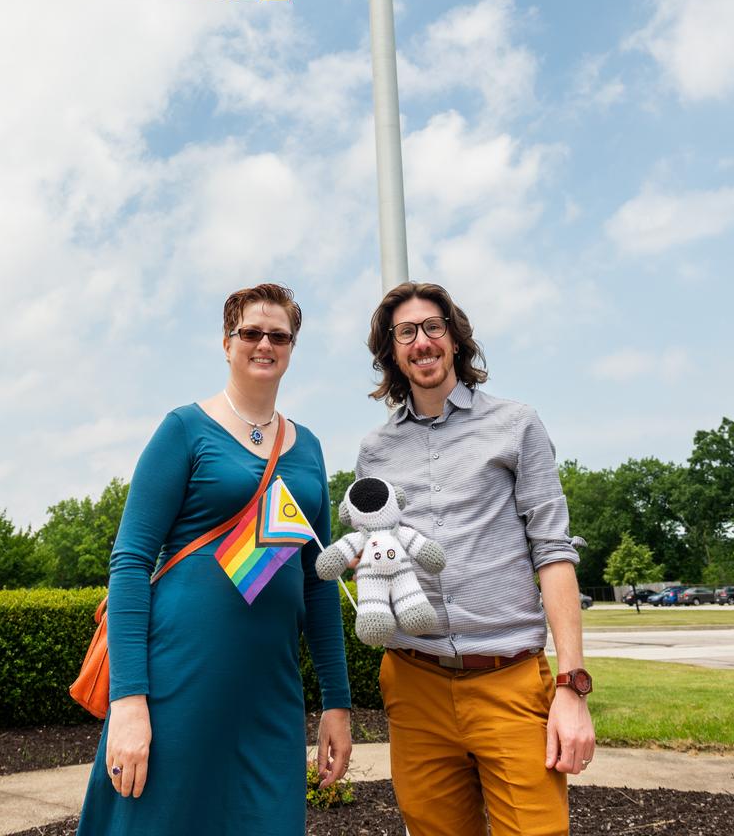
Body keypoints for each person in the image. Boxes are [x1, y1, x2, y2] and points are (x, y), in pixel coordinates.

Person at [77, 283, 351, 836]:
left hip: (269, 695)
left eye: (279, 335)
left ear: (292, 347)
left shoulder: (310, 448)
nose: (264, 344)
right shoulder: (184, 428)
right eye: (251, 332)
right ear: (227, 342)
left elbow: (319, 583)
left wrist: (337, 702)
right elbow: (130, 563)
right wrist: (130, 703)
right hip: (178, 684)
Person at [356, 281, 595, 836]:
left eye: (433, 327)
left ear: (456, 339)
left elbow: (554, 552)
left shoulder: (517, 424)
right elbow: (380, 548)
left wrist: (571, 687)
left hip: (509, 681)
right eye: (406, 332)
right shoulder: (375, 450)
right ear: (392, 351)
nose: (422, 341)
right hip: (414, 685)